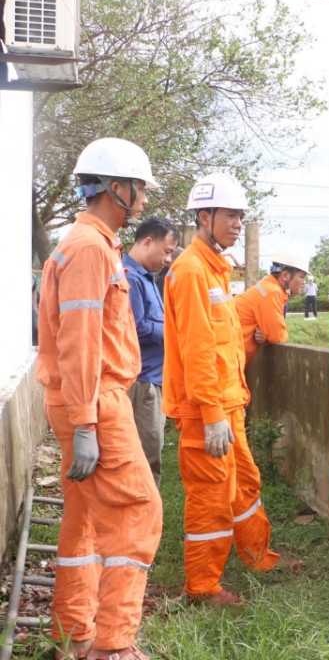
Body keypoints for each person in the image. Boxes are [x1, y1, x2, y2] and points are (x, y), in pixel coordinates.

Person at [37, 138, 162, 660]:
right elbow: (81, 339)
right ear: (117, 188)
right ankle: (113, 646)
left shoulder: (86, 243)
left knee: (84, 518)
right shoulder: (91, 248)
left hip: (79, 399)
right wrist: (88, 423)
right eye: (140, 190)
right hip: (95, 400)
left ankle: (73, 633)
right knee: (138, 513)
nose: (144, 201)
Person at [162, 172, 300, 607]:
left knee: (244, 484)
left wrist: (226, 407)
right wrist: (211, 413)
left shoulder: (215, 268)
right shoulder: (190, 272)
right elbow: (198, 351)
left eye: (242, 215)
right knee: (210, 498)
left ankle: (257, 554)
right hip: (208, 411)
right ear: (204, 216)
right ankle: (202, 587)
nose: (238, 223)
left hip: (229, 403)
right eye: (230, 215)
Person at [122, 216, 179, 488]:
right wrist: (175, 332)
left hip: (153, 381)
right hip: (142, 383)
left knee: (150, 455)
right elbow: (136, 328)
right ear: (147, 242)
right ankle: (143, 522)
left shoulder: (147, 277)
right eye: (166, 251)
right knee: (146, 460)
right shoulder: (130, 277)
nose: (167, 259)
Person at [235, 246, 309, 365]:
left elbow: (272, 334)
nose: (304, 281)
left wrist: (267, 334)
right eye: (301, 276)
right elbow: (278, 336)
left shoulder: (267, 287)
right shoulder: (272, 292)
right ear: (285, 276)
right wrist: (269, 334)